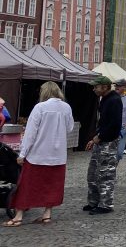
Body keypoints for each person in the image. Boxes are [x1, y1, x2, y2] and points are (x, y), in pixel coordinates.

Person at [3, 82, 74, 227]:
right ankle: (47, 215)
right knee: (52, 185)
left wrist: (22, 154)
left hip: (38, 154)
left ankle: (18, 216)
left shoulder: (40, 107)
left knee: (27, 185)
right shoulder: (66, 107)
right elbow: (70, 128)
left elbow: (30, 133)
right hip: (58, 155)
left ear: (44, 92)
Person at [84, 76, 122, 215]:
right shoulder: (104, 99)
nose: (94, 89)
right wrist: (95, 138)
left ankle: (106, 204)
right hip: (101, 140)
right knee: (93, 173)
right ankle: (94, 201)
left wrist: (99, 137)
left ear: (105, 87)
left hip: (108, 142)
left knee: (105, 174)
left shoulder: (114, 100)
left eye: (96, 87)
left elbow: (114, 124)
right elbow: (103, 123)